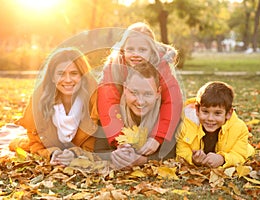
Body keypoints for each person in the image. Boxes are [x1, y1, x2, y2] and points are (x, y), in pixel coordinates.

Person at [97, 22, 183, 160]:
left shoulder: (161, 66)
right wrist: (120, 140)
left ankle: (150, 150)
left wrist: (158, 137)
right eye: (130, 49)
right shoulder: (114, 66)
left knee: (173, 118)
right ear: (123, 49)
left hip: (151, 113)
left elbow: (172, 101)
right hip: (124, 112)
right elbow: (107, 101)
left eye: (142, 50)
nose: (136, 55)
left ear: (152, 51)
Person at [9, 47, 99, 166]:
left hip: (81, 150)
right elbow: (36, 143)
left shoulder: (94, 100)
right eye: (61, 74)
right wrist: (52, 153)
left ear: (82, 76)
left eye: (74, 73)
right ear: (52, 77)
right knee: (17, 144)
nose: (68, 80)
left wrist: (75, 153)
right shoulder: (39, 100)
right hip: (52, 147)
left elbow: (98, 145)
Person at [176, 81, 255, 168]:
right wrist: (192, 159)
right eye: (205, 112)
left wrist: (222, 159)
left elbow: (239, 155)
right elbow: (181, 150)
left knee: (248, 150)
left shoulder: (239, 128)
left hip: (234, 150)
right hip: (200, 158)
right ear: (197, 110)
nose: (210, 118)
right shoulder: (186, 125)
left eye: (217, 113)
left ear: (228, 113)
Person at [110, 63, 167, 168]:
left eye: (148, 94)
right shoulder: (113, 111)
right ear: (125, 89)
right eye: (134, 92)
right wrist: (116, 157)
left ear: (158, 93)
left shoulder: (167, 115)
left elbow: (173, 152)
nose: (140, 102)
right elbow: (97, 147)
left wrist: (142, 160)